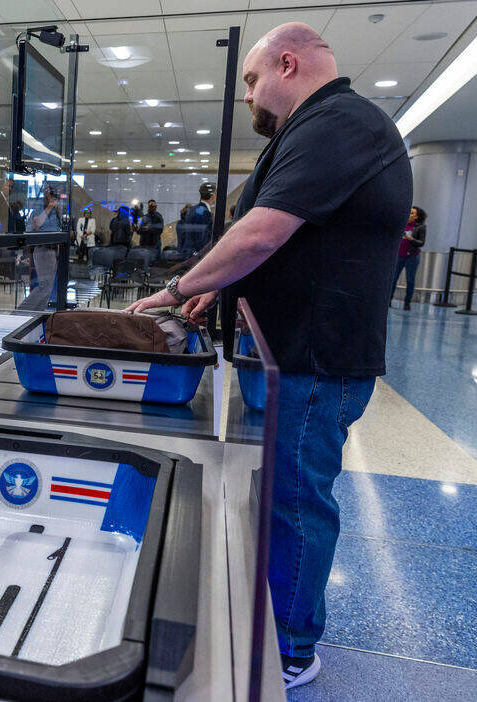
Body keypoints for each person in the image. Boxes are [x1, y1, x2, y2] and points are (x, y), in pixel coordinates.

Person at [125, 23, 411, 690]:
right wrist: (217, 287)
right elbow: (273, 240)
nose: (249, 95)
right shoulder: (316, 128)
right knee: (286, 495)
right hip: (302, 352)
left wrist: (176, 288)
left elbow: (260, 233)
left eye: (251, 80)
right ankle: (280, 618)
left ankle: (290, 648)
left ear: (288, 62)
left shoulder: (339, 122)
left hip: (319, 357)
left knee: (296, 501)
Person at [391, 205, 426, 310]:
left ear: (416, 217)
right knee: (393, 279)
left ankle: (407, 303)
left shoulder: (420, 227)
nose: (409, 214)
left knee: (410, 280)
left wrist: (411, 239)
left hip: (412, 257)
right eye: (408, 212)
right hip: (398, 256)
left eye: (412, 213)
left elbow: (421, 243)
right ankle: (388, 301)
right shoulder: (401, 224)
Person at [177, 183, 215, 259]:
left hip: (188, 253)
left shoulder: (193, 209)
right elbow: (201, 237)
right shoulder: (203, 212)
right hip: (197, 256)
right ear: (213, 196)